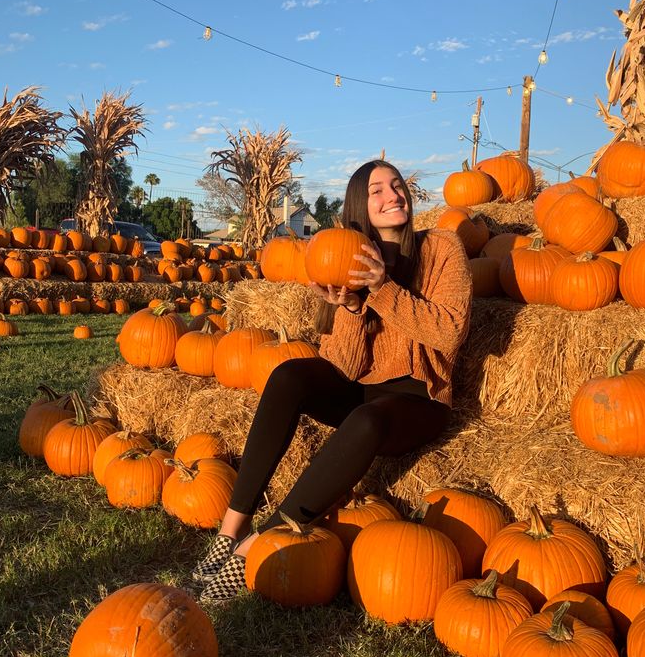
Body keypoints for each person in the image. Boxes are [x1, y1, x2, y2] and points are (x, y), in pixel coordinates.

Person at [193, 158, 472, 604]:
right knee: (287, 375)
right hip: (363, 387)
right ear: (360, 206)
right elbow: (343, 366)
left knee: (365, 421)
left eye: (396, 185)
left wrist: (382, 289)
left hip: (418, 400)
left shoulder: (442, 248)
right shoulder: (349, 257)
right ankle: (231, 529)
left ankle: (259, 545)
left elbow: (449, 332)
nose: (392, 195)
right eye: (377, 190)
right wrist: (351, 308)